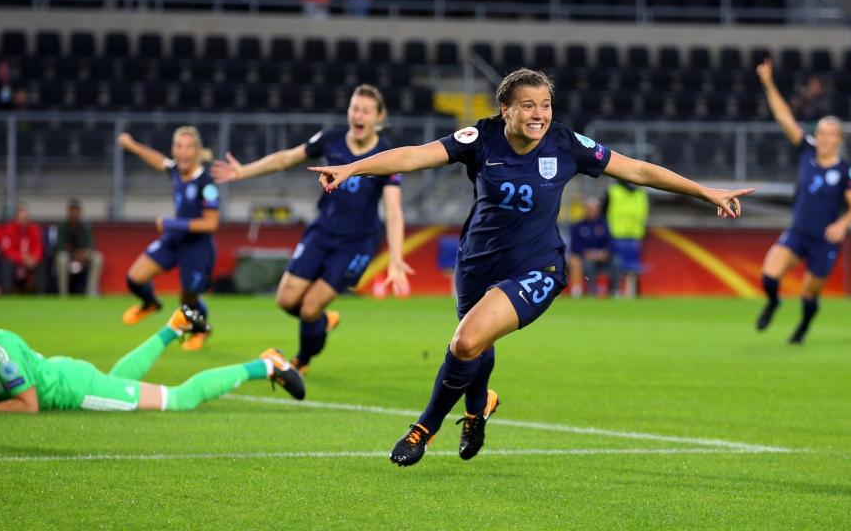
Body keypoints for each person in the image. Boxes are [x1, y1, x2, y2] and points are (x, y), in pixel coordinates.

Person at [308, 68, 752, 467]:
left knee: (466, 341)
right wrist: (352, 169)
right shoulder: (480, 139)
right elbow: (411, 156)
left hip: (536, 267)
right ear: (505, 109)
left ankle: (423, 428)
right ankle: (478, 410)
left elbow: (636, 170)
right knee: (475, 346)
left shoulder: (566, 144)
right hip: (476, 263)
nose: (538, 114)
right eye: (527, 105)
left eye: (545, 105)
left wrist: (705, 191)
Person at [211, 84, 413, 375]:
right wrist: (244, 171)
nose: (358, 115)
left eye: (366, 111)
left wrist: (395, 257)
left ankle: (301, 360)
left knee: (308, 307)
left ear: (379, 117)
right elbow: (286, 159)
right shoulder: (330, 141)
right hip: (321, 231)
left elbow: (393, 210)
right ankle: (321, 323)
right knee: (285, 300)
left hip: (356, 243)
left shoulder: (385, 155)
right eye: (355, 108)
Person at [0, 286, 304, 414]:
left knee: (180, 399)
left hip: (75, 389)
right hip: (66, 374)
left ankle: (266, 364)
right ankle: (175, 327)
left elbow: (29, 405)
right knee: (116, 380)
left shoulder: (1, 352)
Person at [754, 59, 851, 344]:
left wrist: (842, 224)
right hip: (798, 232)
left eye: (831, 134)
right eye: (822, 133)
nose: (825, 139)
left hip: (824, 240)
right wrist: (768, 83)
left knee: (808, 293)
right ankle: (773, 302)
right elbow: (784, 118)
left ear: (839, 140)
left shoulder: (844, 171)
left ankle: (802, 327)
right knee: (769, 275)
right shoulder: (806, 151)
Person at [118, 126, 219, 352]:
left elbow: (211, 223)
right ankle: (151, 303)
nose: (183, 152)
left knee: (187, 302)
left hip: (197, 248)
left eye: (189, 147)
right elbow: (158, 160)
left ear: (197, 151)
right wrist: (132, 145)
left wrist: (171, 223)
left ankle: (202, 329)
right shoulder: (175, 170)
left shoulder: (206, 183)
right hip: (175, 241)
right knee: (135, 279)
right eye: (179, 147)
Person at [603, 180, 649, 297]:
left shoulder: (641, 194)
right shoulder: (613, 191)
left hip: (634, 236)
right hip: (616, 235)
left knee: (632, 267)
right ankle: (616, 291)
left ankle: (632, 293)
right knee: (617, 266)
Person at [568, 198, 619, 297]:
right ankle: (592, 291)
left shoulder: (604, 225)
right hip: (585, 257)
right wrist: (586, 253)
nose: (591, 212)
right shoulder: (578, 226)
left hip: (602, 258)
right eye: (589, 209)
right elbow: (574, 246)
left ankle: (614, 291)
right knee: (587, 264)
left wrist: (604, 253)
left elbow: (610, 244)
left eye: (593, 209)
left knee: (617, 261)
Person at [55, 198, 104, 297]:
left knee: (98, 257)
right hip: (68, 258)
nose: (74, 214)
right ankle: (63, 294)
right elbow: (59, 246)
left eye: (76, 211)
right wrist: (73, 254)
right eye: (71, 211)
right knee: (62, 258)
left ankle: (91, 292)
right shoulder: (62, 226)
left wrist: (84, 253)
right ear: (68, 212)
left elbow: (91, 246)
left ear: (80, 212)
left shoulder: (85, 226)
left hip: (83, 258)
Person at [0, 204, 44, 294]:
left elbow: (38, 248)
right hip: (14, 262)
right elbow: (7, 250)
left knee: (42, 264)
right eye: (21, 218)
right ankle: (7, 292)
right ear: (16, 218)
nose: (23, 221)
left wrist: (34, 259)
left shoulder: (34, 230)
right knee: (6, 264)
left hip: (30, 262)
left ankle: (40, 293)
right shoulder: (9, 230)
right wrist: (21, 259)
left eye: (25, 218)